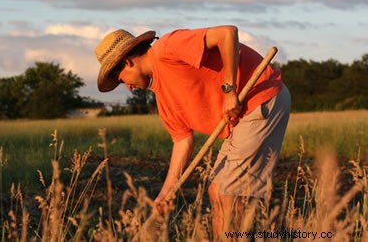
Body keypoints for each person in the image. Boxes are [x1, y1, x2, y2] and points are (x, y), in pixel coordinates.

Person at [94, 25, 291, 239]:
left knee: (230, 196)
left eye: (122, 79)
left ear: (127, 62)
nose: (129, 87)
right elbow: (182, 141)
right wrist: (166, 193)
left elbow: (227, 33)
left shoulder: (167, 48)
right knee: (216, 190)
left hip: (260, 96)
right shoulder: (164, 100)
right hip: (242, 119)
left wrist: (229, 90)